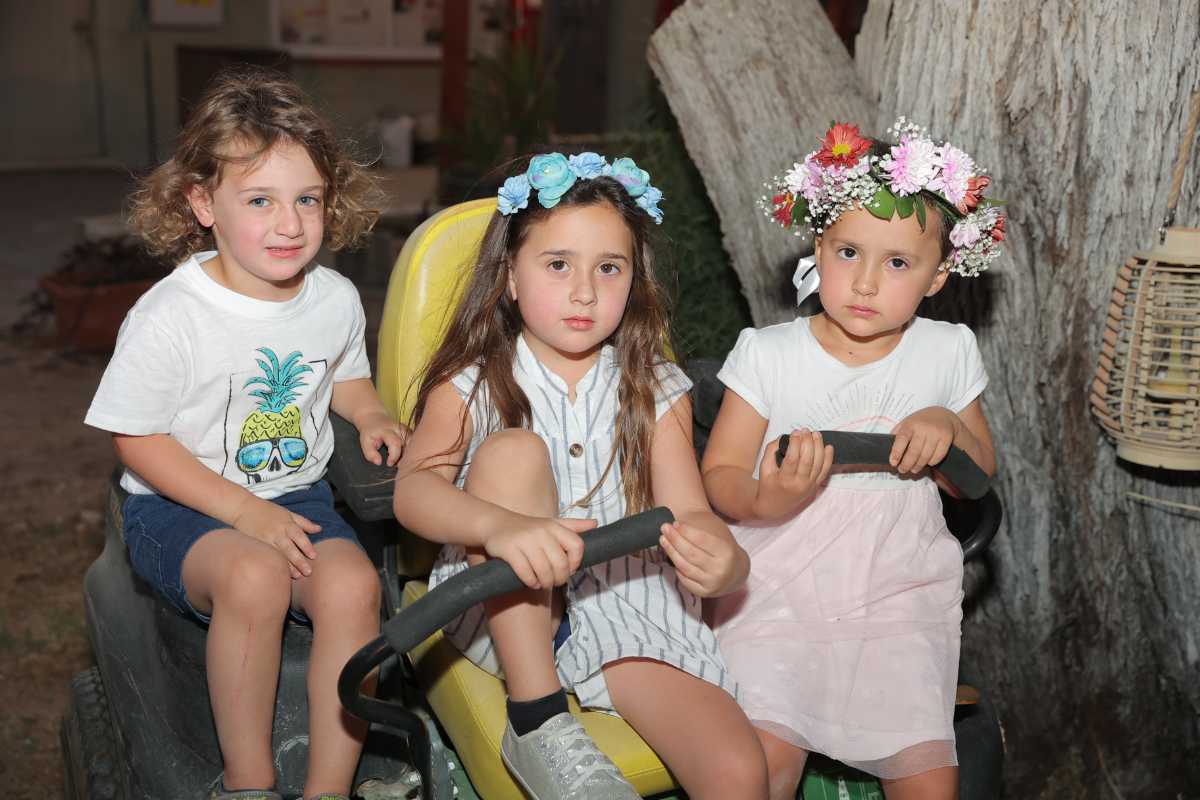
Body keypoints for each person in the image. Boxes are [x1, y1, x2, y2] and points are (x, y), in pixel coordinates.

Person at [392, 152, 769, 800]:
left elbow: (689, 510)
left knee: (739, 772)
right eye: (558, 265)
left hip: (624, 602)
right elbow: (413, 492)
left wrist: (724, 558)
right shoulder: (471, 382)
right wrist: (498, 527)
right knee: (514, 453)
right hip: (498, 604)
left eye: (609, 268)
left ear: (634, 281)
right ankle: (536, 718)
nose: (585, 291)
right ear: (510, 277)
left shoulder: (657, 387)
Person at [85, 66, 409, 800]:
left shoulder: (333, 298)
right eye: (260, 200)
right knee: (254, 577)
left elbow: (345, 376)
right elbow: (137, 440)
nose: (290, 224)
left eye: (307, 199)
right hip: (182, 505)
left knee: (355, 586)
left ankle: (329, 788)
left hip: (297, 496)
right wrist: (243, 512)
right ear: (203, 203)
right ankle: (248, 782)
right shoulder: (172, 316)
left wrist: (369, 414)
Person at [701, 119, 1005, 800]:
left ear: (938, 275)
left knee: (929, 777)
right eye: (847, 253)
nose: (865, 282)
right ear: (818, 248)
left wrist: (947, 428)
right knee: (762, 765)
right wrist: (770, 497)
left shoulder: (946, 352)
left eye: (897, 264)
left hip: (900, 589)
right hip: (777, 583)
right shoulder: (769, 354)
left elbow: (979, 474)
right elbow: (719, 478)